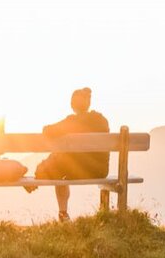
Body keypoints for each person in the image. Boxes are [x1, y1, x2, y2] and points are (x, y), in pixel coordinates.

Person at [35, 88, 110, 221]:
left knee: (59, 170)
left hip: (77, 171)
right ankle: (42, 172)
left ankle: (63, 213)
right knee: (60, 161)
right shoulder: (101, 120)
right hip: (100, 171)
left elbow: (47, 130)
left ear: (72, 105)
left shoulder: (71, 122)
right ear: (88, 103)